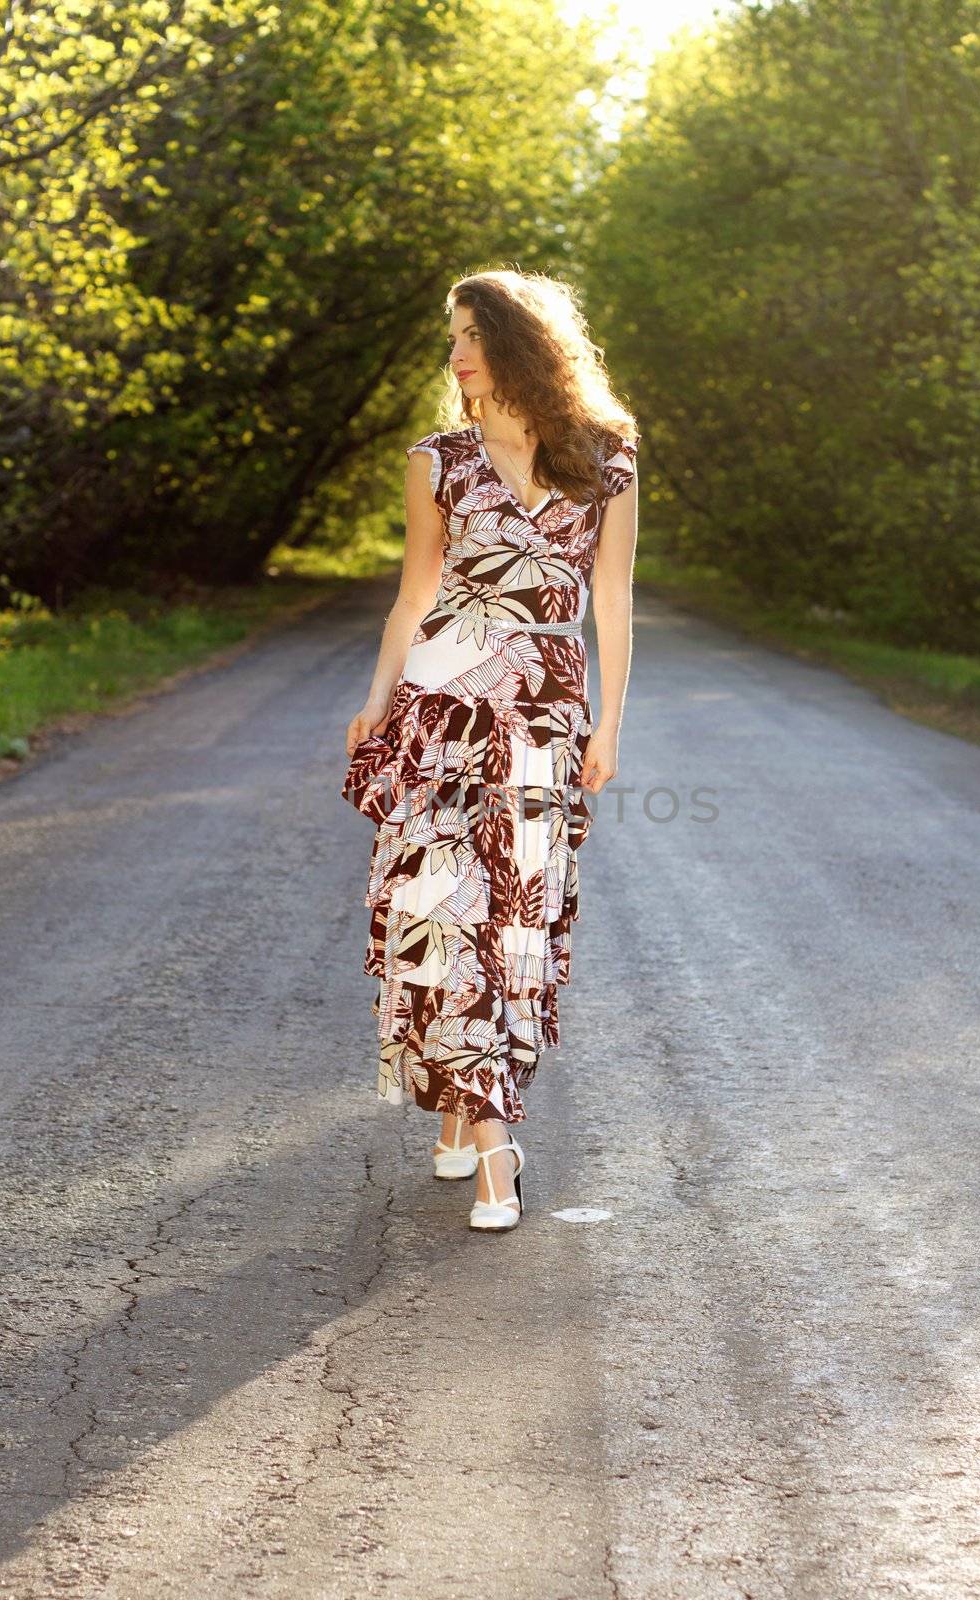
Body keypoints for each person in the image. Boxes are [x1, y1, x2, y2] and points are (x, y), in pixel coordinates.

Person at [341, 267, 639, 1233]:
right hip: (441, 718)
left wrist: (610, 723)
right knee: (445, 915)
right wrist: (376, 701)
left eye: (472, 335)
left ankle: (466, 1111)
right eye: (453, 336)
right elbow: (413, 596)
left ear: (521, 344)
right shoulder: (436, 461)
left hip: (546, 720)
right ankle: (493, 1149)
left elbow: (615, 602)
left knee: (511, 928)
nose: (456, 356)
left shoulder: (606, 458)